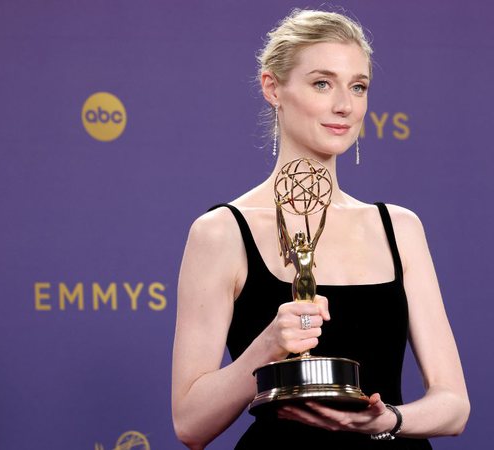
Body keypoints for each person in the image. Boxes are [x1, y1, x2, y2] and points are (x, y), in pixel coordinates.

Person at [171, 9, 469, 449]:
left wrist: (389, 419)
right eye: (322, 83)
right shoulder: (222, 233)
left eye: (358, 87)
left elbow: (454, 405)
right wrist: (267, 347)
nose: (344, 106)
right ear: (273, 88)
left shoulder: (399, 228)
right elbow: (190, 425)